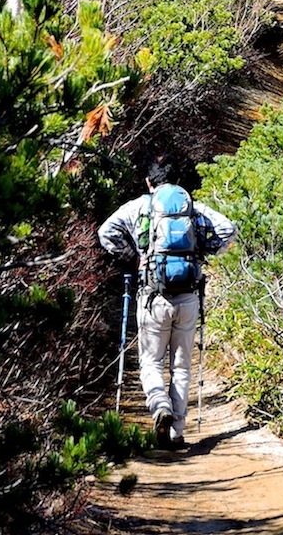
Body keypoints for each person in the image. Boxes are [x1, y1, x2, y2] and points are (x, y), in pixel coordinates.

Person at [98, 153, 236, 449]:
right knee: (182, 366)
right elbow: (227, 229)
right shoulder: (193, 209)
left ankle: (159, 405)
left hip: (152, 297)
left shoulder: (138, 207)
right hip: (187, 296)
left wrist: (133, 258)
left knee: (151, 361)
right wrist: (203, 252)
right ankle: (176, 433)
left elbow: (106, 232)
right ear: (177, 179)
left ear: (149, 181)